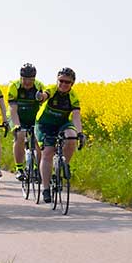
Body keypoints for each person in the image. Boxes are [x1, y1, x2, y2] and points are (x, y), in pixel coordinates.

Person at [36, 67, 83, 203]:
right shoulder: (52, 89)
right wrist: (40, 97)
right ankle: (45, 188)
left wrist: (80, 133)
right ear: (57, 80)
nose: (63, 84)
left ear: (72, 84)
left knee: (71, 136)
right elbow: (44, 95)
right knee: (48, 153)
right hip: (44, 124)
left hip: (62, 123)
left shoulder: (73, 97)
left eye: (67, 82)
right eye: (61, 81)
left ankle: (64, 164)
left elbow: (76, 116)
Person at [8, 63, 45, 181]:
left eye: (30, 80)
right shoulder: (14, 86)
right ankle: (19, 168)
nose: (27, 82)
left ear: (34, 79)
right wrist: (17, 125)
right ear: (21, 77)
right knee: (20, 135)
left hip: (34, 116)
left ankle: (36, 169)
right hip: (17, 116)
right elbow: (13, 109)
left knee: (39, 141)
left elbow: (43, 107)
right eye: (25, 79)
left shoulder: (39, 86)